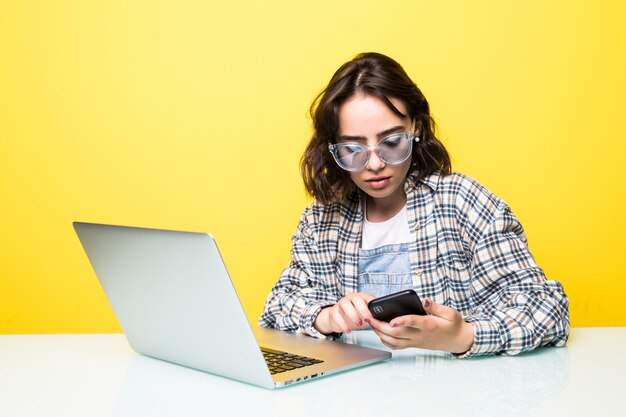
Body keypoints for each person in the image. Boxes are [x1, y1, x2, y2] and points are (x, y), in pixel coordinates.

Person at [259, 52, 570, 357]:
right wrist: (324, 316)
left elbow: (547, 309)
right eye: (353, 148)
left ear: (416, 128)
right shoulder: (321, 219)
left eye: (392, 142)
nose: (375, 163)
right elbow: (275, 309)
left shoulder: (462, 202)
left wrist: (464, 337)